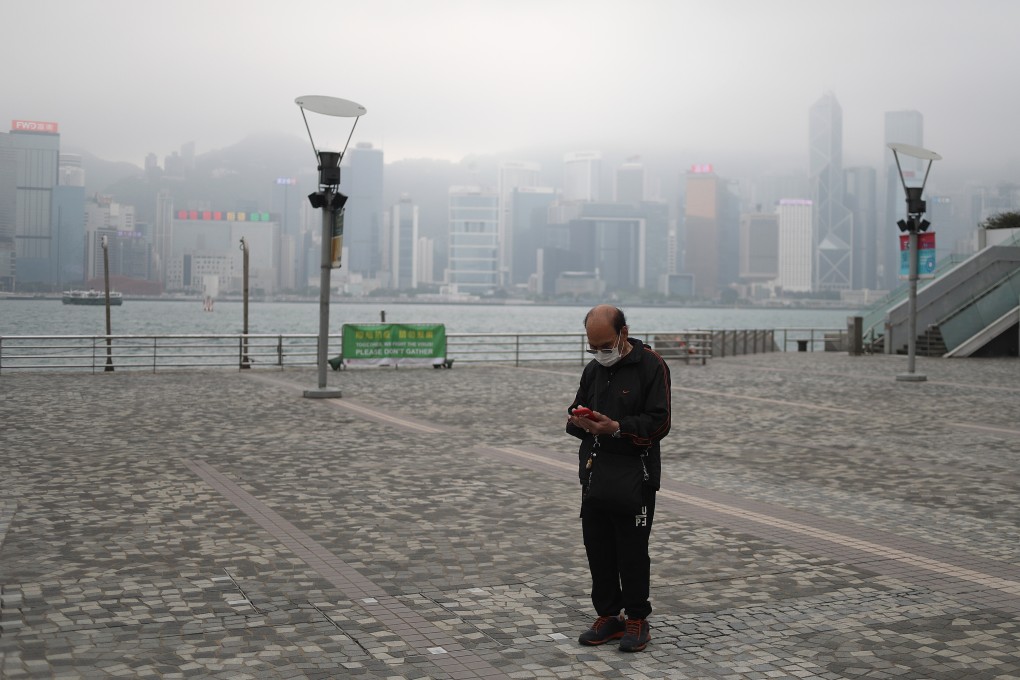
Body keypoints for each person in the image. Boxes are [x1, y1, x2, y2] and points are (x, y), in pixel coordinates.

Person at [566, 304, 671, 653]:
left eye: (605, 346)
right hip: (596, 473)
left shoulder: (651, 366)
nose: (599, 354)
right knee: (598, 547)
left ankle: (637, 618)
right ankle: (609, 615)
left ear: (624, 333)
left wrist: (618, 427)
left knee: (632, 551)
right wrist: (580, 420)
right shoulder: (593, 369)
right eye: (592, 347)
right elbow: (576, 412)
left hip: (635, 475)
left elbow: (660, 422)